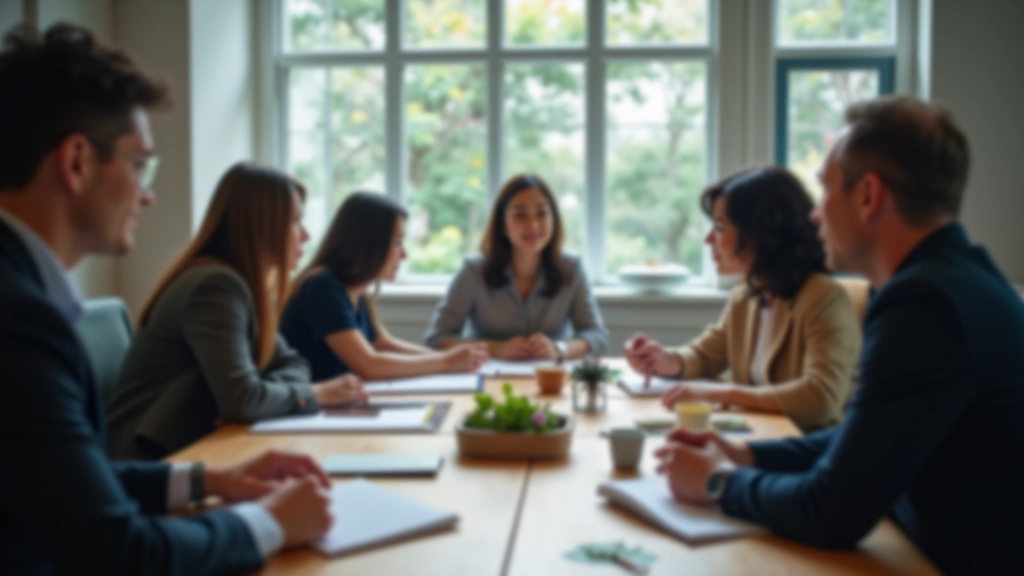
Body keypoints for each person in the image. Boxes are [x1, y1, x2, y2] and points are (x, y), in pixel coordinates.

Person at [0, 24, 335, 575]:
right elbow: (122, 553)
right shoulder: (18, 320)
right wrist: (272, 522)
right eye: (140, 165)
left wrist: (210, 478)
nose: (150, 193)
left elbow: (64, 478)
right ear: (77, 161)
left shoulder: (22, 295)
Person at [654, 96, 1024, 576]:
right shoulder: (959, 278)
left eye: (825, 189)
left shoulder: (923, 305)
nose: (812, 215)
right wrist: (741, 452)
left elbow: (833, 511)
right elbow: (859, 442)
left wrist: (719, 483)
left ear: (868, 195)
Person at [106, 163, 367, 460]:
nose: (305, 235)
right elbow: (243, 399)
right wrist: (316, 394)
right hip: (150, 459)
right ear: (260, 224)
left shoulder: (242, 283)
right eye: (295, 220)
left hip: (191, 442)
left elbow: (293, 365)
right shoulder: (216, 285)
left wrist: (255, 398)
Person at [624, 167, 861, 430]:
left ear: (760, 234)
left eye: (720, 227)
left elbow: (820, 399)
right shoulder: (747, 295)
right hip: (757, 437)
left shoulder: (824, 298)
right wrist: (667, 360)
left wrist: (720, 393)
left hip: (806, 452)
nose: (707, 239)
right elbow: (706, 355)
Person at [281, 192, 488, 381]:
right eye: (397, 243)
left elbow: (383, 344)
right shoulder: (322, 287)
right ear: (369, 244)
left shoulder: (354, 290)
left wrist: (450, 359)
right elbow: (369, 365)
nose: (404, 255)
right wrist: (446, 362)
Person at [423, 174, 608, 361]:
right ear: (503, 224)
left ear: (554, 219)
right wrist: (496, 348)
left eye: (542, 213)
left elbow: (597, 335)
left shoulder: (572, 268)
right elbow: (436, 338)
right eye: (520, 214)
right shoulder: (474, 271)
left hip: (551, 382)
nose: (533, 224)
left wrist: (559, 349)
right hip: (488, 381)